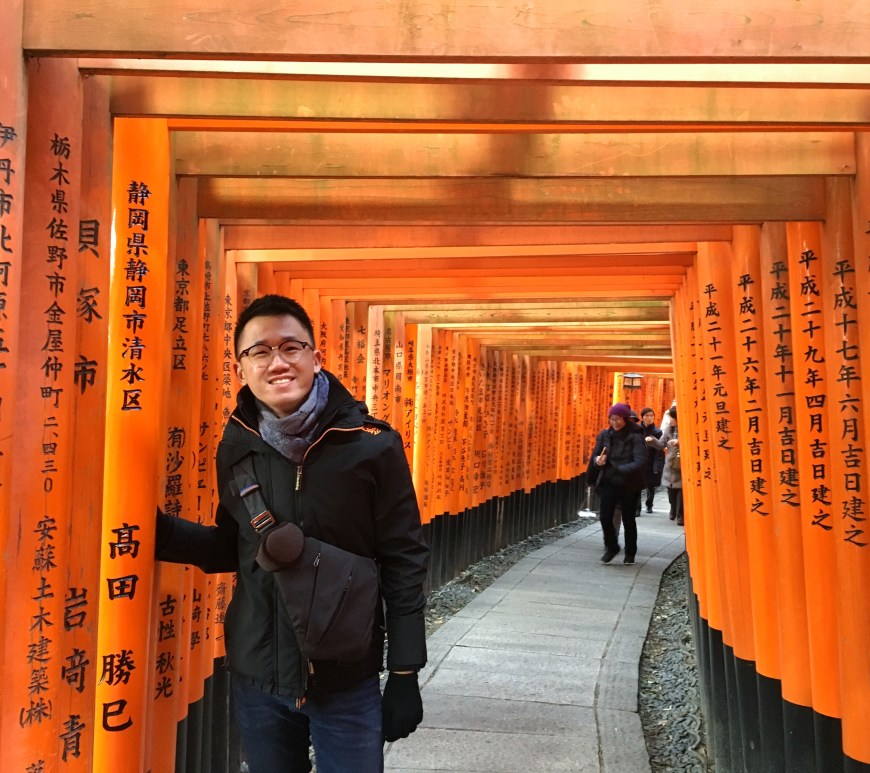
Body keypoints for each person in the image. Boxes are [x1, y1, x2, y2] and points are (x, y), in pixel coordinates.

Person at [155, 294, 429, 773]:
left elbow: (404, 558)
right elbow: (235, 546)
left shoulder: (372, 446)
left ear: (315, 357)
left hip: (346, 677)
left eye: (290, 347)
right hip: (258, 674)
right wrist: (159, 533)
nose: (276, 362)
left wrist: (405, 671)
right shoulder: (237, 448)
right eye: (259, 352)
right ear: (240, 369)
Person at [586, 402, 647, 564]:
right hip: (609, 481)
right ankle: (612, 546)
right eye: (612, 419)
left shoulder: (635, 436)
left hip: (629, 483)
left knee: (628, 519)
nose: (615, 423)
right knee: (605, 516)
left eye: (618, 419)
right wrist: (597, 461)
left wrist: (621, 468)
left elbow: (640, 460)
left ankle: (630, 552)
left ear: (626, 419)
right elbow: (596, 455)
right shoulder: (605, 435)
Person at [647, 405, 683, 525]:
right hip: (671, 465)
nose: (670, 420)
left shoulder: (686, 429)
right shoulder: (668, 429)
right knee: (671, 490)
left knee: (680, 491)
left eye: (671, 418)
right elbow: (661, 444)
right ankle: (673, 508)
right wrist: (651, 440)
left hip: (682, 464)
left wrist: (679, 443)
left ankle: (680, 515)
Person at [639, 407, 664, 513]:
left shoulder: (657, 432)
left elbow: (659, 451)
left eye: (651, 416)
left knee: (650, 486)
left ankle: (649, 504)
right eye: (647, 416)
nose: (649, 418)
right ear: (642, 417)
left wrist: (657, 466)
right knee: (637, 486)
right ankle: (637, 508)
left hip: (650, 462)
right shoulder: (637, 430)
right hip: (639, 461)